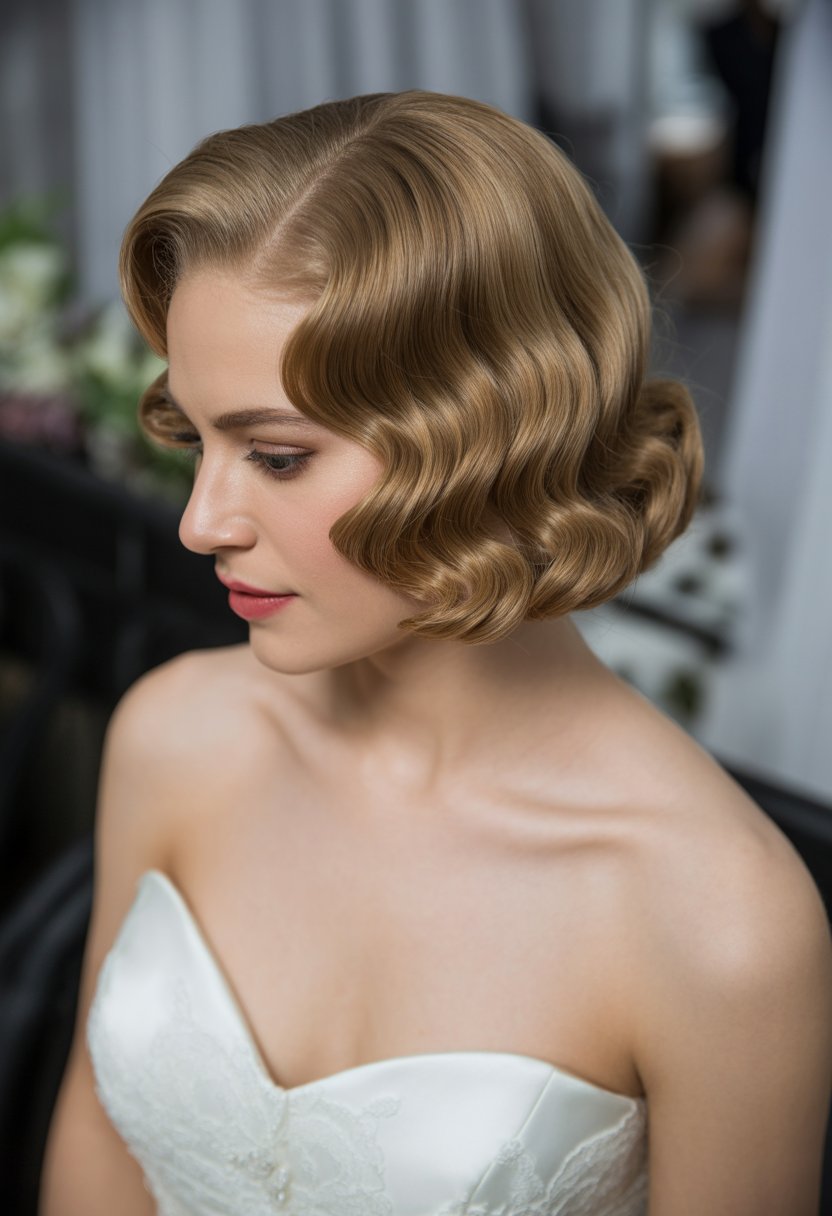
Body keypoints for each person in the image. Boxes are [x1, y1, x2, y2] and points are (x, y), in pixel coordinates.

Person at [40, 90, 831, 1215]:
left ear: (489, 439)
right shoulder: (174, 734)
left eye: (273, 457)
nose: (200, 522)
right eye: (195, 435)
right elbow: (98, 1148)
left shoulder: (715, 918)